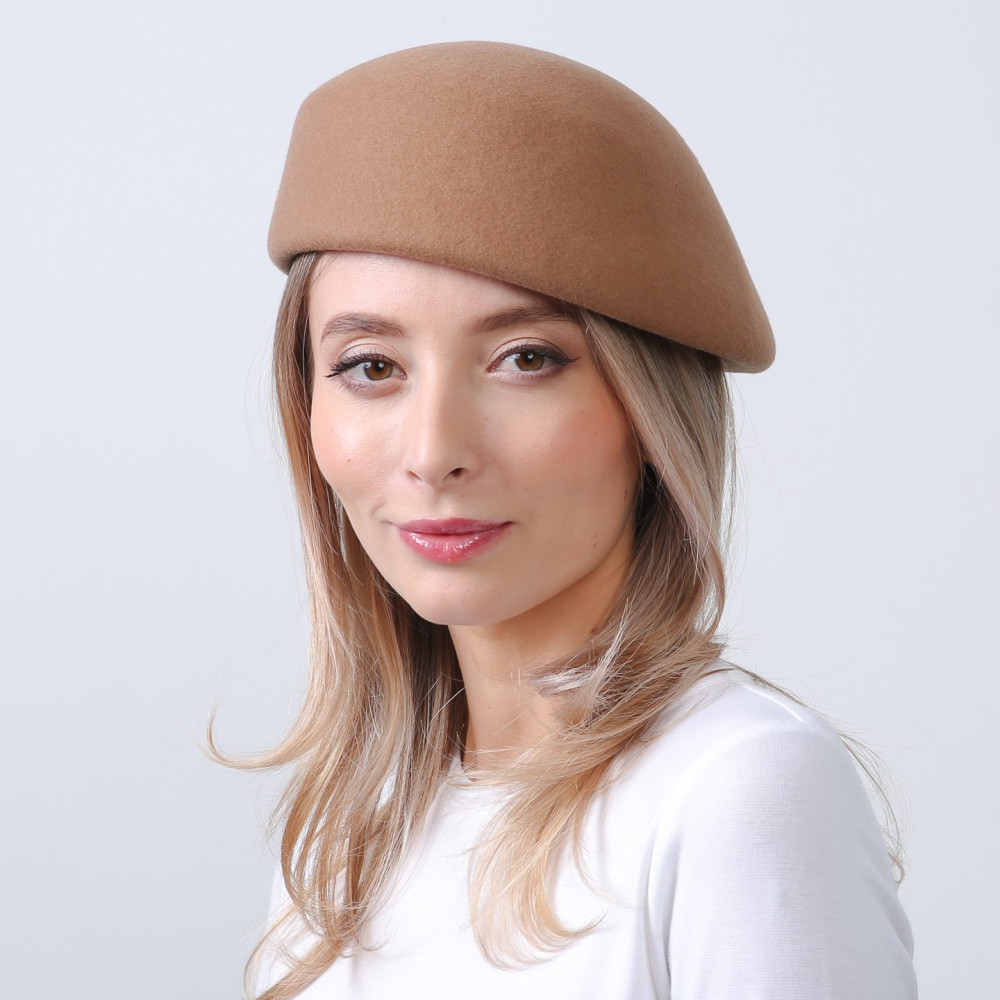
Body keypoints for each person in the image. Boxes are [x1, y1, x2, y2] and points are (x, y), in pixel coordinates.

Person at [232, 41, 916, 999]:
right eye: (371, 367)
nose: (434, 451)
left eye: (525, 358)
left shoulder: (738, 787)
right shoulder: (348, 832)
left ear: (649, 412)